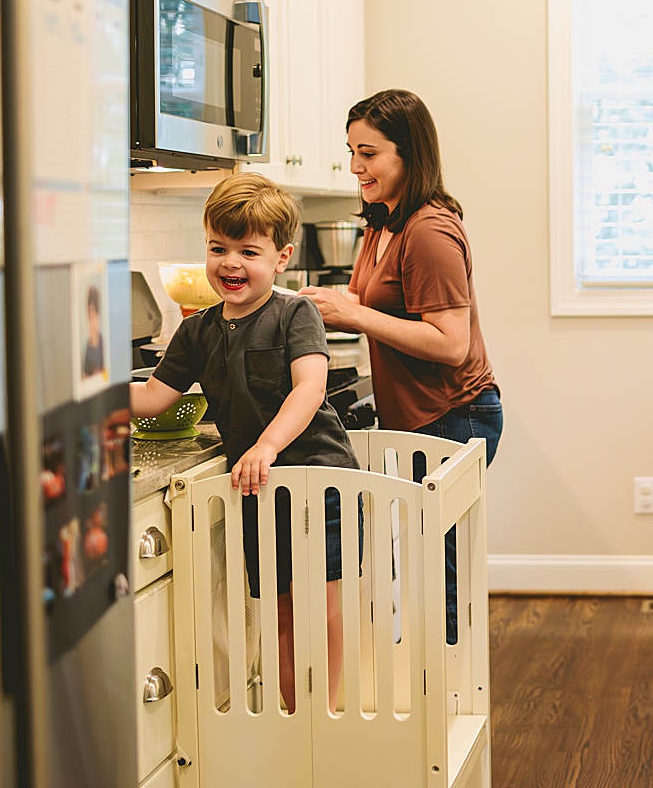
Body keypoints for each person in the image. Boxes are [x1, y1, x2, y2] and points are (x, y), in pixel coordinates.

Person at [131, 171, 358, 711]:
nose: (230, 263)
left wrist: (266, 445)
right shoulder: (196, 330)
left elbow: (310, 388)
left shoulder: (293, 314)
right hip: (259, 491)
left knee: (319, 605)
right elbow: (150, 400)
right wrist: (82, 391)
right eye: (218, 248)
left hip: (314, 482)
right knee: (278, 610)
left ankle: (326, 716)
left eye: (247, 251)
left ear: (281, 257)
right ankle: (291, 716)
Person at [301, 89, 501, 643]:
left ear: (408, 154)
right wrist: (323, 308)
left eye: (369, 153)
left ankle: (451, 702)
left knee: (441, 575)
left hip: (455, 415)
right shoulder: (382, 222)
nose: (355, 166)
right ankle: (431, 690)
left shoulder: (429, 230)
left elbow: (450, 343)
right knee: (426, 565)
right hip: (421, 417)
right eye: (351, 151)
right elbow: (380, 304)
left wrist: (355, 313)